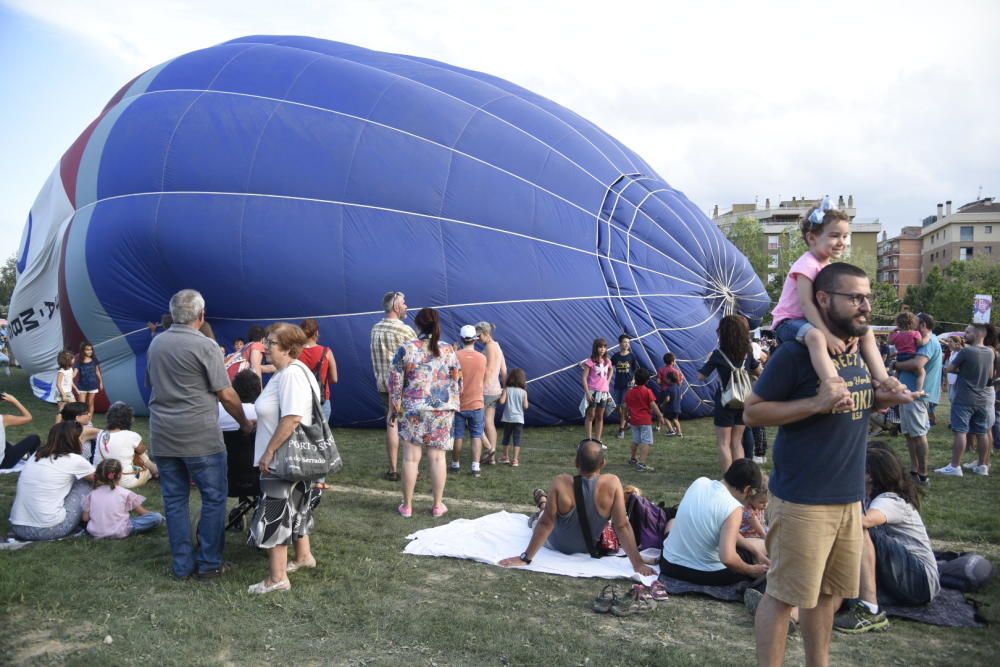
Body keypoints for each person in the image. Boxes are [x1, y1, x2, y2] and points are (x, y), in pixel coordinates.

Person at [744, 262, 919, 665]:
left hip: (849, 500)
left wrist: (882, 400)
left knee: (826, 596)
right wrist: (815, 403)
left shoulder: (856, 350)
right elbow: (752, 414)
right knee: (784, 596)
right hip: (804, 501)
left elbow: (854, 403)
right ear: (823, 299)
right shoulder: (797, 352)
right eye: (855, 297)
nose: (865, 306)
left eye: (868, 297)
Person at [147, 289, 253, 580]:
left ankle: (182, 565)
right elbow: (227, 394)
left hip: (163, 435)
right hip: (200, 437)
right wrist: (244, 422)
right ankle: (209, 563)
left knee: (175, 500)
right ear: (201, 315)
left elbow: (151, 383)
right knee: (214, 497)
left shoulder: (156, 344)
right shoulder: (206, 346)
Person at [769, 196, 892, 391]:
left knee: (865, 332)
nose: (841, 242)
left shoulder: (827, 266)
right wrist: (828, 335)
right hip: (789, 322)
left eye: (845, 236)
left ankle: (885, 380)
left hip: (810, 321)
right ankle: (834, 386)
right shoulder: (806, 264)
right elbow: (807, 304)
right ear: (812, 238)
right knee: (816, 337)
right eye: (835, 236)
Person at [499, 439, 654, 578]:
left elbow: (546, 523)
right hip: (587, 547)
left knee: (539, 518)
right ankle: (543, 502)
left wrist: (525, 558)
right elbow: (622, 525)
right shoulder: (612, 483)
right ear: (603, 463)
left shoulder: (561, 482)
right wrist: (638, 564)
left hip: (556, 544)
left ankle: (543, 502)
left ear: (576, 462)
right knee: (546, 514)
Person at [249, 323, 325, 594]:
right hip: (295, 458)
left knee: (275, 513)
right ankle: (304, 556)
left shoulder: (290, 375)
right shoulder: (295, 371)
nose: (265, 347)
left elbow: (293, 417)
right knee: (298, 507)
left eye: (270, 343)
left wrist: (269, 451)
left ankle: (277, 578)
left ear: (287, 347)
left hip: (282, 458)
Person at [833, 448, 940, 633]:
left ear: (871, 476)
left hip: (920, 580)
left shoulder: (890, 500)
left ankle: (869, 609)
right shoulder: (869, 499)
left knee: (860, 529)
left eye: (860, 468)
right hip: (905, 580)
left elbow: (865, 521)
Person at [389, 307, 462, 518]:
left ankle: (407, 506)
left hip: (413, 408)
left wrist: (395, 406)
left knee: (411, 458)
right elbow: (457, 379)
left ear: (418, 325)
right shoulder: (449, 350)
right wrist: (453, 404)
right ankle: (438, 505)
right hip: (441, 409)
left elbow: (394, 379)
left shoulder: (407, 348)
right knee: (438, 459)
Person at [660, 459, 770, 585]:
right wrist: (750, 570)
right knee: (760, 544)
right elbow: (728, 558)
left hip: (669, 565)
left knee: (673, 521)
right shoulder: (733, 507)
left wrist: (754, 552)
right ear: (747, 489)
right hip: (705, 573)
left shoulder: (700, 482)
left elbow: (725, 530)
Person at [9, 421, 96, 541]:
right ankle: (100, 517)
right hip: (49, 529)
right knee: (87, 482)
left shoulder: (36, 455)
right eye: (82, 438)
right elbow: (102, 479)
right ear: (75, 439)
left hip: (18, 526)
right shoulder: (74, 460)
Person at [698, 314, 761, 474]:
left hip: (725, 400)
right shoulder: (747, 351)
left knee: (724, 443)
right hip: (744, 400)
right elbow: (758, 370)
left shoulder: (718, 354)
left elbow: (701, 376)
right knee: (737, 442)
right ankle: (740, 478)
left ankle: (728, 479)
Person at [370, 291, 417, 481]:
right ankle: (412, 468)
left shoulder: (375, 329)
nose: (406, 306)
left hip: (383, 384)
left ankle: (393, 469)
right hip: (403, 386)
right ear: (397, 307)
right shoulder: (405, 331)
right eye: (404, 303)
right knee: (408, 426)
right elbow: (415, 358)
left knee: (391, 423)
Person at [936, 323, 995, 477]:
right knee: (982, 432)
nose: (964, 335)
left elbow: (949, 369)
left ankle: (955, 466)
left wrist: (961, 369)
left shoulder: (966, 351)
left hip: (964, 397)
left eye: (967, 332)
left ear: (977, 334)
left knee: (960, 431)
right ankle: (983, 465)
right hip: (982, 398)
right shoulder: (990, 352)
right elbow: (989, 376)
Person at [893, 313, 942, 486]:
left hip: (917, 396)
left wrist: (895, 365)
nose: (911, 325)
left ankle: (923, 475)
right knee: (909, 433)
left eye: (914, 322)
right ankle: (914, 471)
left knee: (919, 434)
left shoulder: (928, 341)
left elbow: (917, 364)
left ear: (921, 325)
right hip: (907, 394)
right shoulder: (919, 339)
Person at [82, 459, 165, 539]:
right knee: (156, 517)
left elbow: (85, 518)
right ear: (119, 475)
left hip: (95, 532)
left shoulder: (92, 494)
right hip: (120, 531)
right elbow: (143, 513)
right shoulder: (124, 493)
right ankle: (163, 519)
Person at [93, 401, 159, 488]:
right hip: (123, 480)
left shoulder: (101, 434)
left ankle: (153, 469)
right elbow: (142, 451)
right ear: (128, 419)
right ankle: (154, 470)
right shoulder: (131, 436)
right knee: (141, 455)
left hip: (101, 478)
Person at [451, 324, 487, 476]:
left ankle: (455, 464)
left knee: (458, 435)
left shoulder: (455, 356)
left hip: (459, 403)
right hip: (477, 402)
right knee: (477, 435)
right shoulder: (482, 358)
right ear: (475, 339)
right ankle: (475, 467)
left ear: (461, 339)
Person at [477, 321, 507, 463]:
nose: (478, 339)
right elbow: (504, 371)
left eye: (479, 336)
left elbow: (488, 370)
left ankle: (488, 448)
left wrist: (479, 387)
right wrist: (504, 390)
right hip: (496, 390)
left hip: (486, 390)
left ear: (486, 334)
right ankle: (492, 457)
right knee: (489, 422)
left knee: (476, 422)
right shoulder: (497, 346)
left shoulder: (489, 347)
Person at [297, 318, 339, 422]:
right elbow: (334, 379)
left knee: (302, 436)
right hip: (322, 399)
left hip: (300, 399)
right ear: (316, 333)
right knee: (322, 436)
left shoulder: (295, 353)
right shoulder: (327, 352)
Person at [624, 368, 665, 471]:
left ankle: (633, 458)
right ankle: (642, 464)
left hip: (634, 421)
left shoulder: (630, 392)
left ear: (635, 379)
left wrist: (626, 416)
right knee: (647, 441)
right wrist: (660, 416)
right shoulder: (647, 391)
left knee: (635, 440)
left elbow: (625, 406)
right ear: (647, 380)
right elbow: (653, 405)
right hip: (645, 421)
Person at [581, 338, 613, 443]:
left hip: (603, 393)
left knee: (600, 416)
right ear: (596, 348)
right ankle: (588, 440)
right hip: (592, 392)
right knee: (591, 415)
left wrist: (607, 382)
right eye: (600, 347)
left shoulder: (607, 361)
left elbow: (611, 370)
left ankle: (598, 441)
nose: (602, 349)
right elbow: (584, 378)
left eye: (604, 347)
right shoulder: (590, 362)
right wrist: (587, 392)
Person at [1, 391, 41, 470]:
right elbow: (28, 417)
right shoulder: (3, 419)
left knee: (4, 441)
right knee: (34, 438)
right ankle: (31, 460)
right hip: (4, 463)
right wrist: (14, 401)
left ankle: (23, 455)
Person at [498, 368, 529, 467]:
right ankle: (515, 459)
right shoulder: (523, 392)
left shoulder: (507, 390)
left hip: (508, 418)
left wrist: (500, 395)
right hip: (519, 419)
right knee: (517, 439)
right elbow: (526, 406)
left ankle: (505, 456)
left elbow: (502, 402)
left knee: (506, 437)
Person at [889, 311, 925, 392]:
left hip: (900, 356)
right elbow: (920, 344)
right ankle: (919, 390)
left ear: (898, 324)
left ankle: (892, 388)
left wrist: (891, 333)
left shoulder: (897, 335)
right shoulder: (916, 333)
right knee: (921, 373)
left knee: (897, 373)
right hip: (910, 356)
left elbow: (890, 342)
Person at [611, 334, 638, 439]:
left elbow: (635, 370)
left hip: (628, 385)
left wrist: (634, 380)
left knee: (624, 406)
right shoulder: (616, 356)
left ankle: (621, 430)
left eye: (628, 342)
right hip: (618, 384)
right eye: (624, 342)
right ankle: (629, 420)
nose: (626, 344)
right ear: (620, 343)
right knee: (618, 407)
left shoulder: (632, 356)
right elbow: (608, 365)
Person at [74, 341, 103, 417]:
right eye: (87, 349)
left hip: (93, 385)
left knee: (90, 403)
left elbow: (97, 371)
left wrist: (101, 382)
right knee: (81, 405)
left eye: (91, 349)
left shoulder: (94, 360)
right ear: (83, 350)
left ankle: (89, 421)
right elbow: (74, 373)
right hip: (82, 386)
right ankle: (81, 421)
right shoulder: (79, 362)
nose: (89, 351)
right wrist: (67, 377)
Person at [659, 370, 683, 438]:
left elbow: (667, 399)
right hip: (677, 407)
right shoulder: (678, 388)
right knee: (675, 419)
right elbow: (681, 397)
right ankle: (679, 433)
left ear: (669, 380)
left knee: (665, 418)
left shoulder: (668, 389)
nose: (665, 379)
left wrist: (663, 404)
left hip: (670, 407)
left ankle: (671, 431)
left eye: (666, 378)